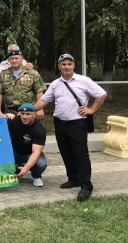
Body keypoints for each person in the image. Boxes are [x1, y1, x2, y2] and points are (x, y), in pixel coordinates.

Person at [34, 53, 107, 201]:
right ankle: (73, 179)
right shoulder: (55, 84)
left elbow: (102, 94)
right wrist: (27, 110)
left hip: (77, 124)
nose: (66, 67)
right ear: (59, 66)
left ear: (74, 65)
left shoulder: (83, 80)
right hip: (60, 123)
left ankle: (86, 186)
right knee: (66, 153)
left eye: (69, 64)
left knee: (81, 155)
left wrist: (91, 109)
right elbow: (43, 101)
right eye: (63, 64)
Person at [0, 49, 46, 117]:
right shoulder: (3, 75)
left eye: (17, 58)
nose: (14, 61)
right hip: (10, 113)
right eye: (12, 58)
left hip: (28, 112)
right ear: (8, 60)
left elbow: (39, 91)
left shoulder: (32, 73)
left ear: (22, 59)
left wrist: (40, 109)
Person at [8, 103, 47, 187]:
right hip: (13, 152)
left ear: (34, 114)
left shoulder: (39, 130)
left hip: (29, 154)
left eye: (28, 114)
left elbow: (36, 153)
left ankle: (35, 176)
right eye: (22, 114)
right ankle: (8, 172)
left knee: (41, 164)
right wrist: (5, 115)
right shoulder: (14, 121)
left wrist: (26, 168)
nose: (25, 117)